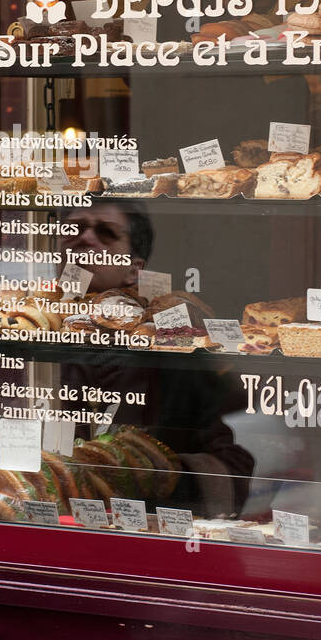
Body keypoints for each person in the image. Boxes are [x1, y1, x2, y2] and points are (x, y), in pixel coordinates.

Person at [57, 199, 255, 515]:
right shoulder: (12, 336)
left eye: (106, 233)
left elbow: (233, 466)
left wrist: (155, 474)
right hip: (47, 525)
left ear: (134, 270)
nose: (85, 238)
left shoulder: (173, 359)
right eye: (73, 228)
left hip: (146, 529)